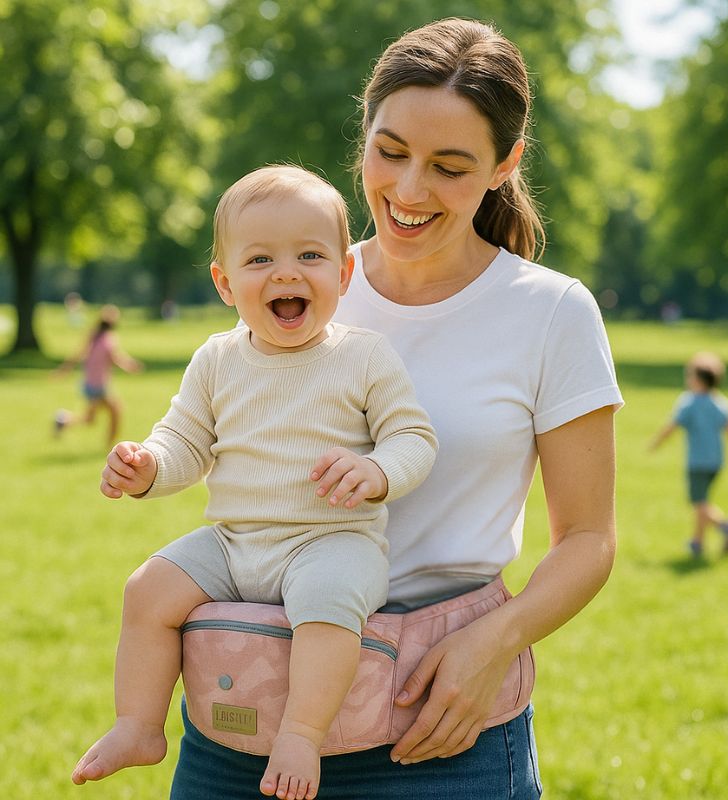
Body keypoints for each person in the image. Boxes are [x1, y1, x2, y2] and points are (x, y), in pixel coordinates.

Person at [165, 18, 623, 800]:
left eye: (449, 167)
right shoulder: (290, 278)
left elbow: (588, 539)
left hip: (441, 720)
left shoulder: (550, 313)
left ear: (505, 163)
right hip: (251, 705)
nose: (408, 192)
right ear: (364, 132)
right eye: (390, 151)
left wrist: (495, 643)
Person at [71, 165, 438, 800]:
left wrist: (377, 470)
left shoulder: (364, 355)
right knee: (148, 589)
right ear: (225, 281)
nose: (287, 273)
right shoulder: (217, 359)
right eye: (261, 258)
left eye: (311, 255)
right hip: (235, 541)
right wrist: (148, 466)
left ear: (344, 274)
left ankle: (300, 732)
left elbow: (414, 439)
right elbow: (185, 442)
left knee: (327, 605)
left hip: (332, 539)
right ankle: (138, 724)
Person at [649, 351, 728, 557]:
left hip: (698, 462)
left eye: (689, 375)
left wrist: (656, 443)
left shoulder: (689, 402)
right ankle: (697, 543)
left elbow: (672, 426)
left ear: (698, 380)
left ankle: (725, 526)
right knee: (703, 500)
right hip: (716, 461)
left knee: (699, 503)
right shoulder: (720, 402)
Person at [52, 304, 143, 446]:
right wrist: (131, 366)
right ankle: (111, 447)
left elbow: (77, 355)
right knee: (116, 411)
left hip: (89, 383)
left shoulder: (94, 336)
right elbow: (116, 358)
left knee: (90, 419)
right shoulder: (109, 339)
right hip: (98, 386)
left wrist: (63, 370)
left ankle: (63, 420)